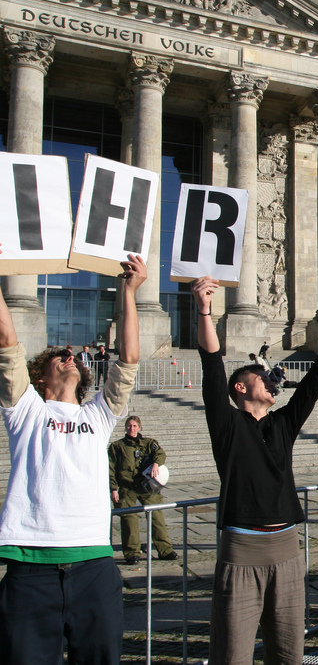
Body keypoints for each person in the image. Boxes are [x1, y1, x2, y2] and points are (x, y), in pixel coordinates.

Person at [193, 275, 318, 665]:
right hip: (242, 549)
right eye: (261, 377)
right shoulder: (228, 425)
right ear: (239, 389)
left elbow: (317, 377)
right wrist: (204, 310)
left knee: (289, 652)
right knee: (232, 653)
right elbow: (211, 366)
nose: (271, 380)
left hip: (287, 546)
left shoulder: (282, 423)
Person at [0, 251, 146, 665]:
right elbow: (7, 344)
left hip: (94, 566)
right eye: (57, 356)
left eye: (72, 355)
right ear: (40, 379)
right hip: (30, 567)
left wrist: (129, 292)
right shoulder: (26, 410)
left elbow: (128, 362)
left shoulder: (96, 417)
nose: (69, 355)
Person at [108, 415, 178, 564]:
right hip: (127, 487)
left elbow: (160, 453)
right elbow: (111, 468)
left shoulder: (148, 443)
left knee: (157, 517)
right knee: (129, 520)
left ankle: (165, 550)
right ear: (125, 427)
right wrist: (113, 488)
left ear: (139, 427)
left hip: (147, 486)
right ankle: (132, 553)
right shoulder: (117, 446)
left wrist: (155, 464)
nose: (131, 429)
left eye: (134, 426)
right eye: (129, 426)